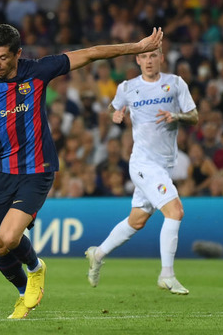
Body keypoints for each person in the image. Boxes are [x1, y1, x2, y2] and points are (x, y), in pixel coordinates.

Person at [0, 24, 164, 319]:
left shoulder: (38, 71)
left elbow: (92, 53)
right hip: (1, 171)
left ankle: (35, 268)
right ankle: (23, 293)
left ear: (17, 54)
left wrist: (136, 47)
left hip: (37, 168)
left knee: (9, 236)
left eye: (3, 57)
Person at [84, 46, 198, 295]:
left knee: (137, 220)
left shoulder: (175, 83)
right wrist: (115, 115)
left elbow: (194, 116)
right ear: (137, 60)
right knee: (175, 211)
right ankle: (167, 275)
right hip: (143, 163)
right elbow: (112, 108)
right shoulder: (127, 87)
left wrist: (177, 116)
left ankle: (98, 254)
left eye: (153, 56)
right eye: (144, 56)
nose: (148, 61)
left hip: (165, 164)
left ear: (161, 58)